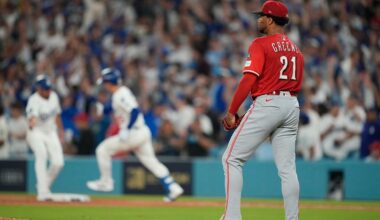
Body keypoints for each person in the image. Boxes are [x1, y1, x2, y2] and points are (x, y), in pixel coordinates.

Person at [220, 1, 304, 220]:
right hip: (292, 105)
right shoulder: (296, 50)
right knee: (287, 170)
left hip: (269, 102)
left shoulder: (261, 44)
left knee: (231, 159)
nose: (259, 19)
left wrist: (232, 110)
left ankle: (231, 217)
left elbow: (249, 78)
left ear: (270, 19)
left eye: (262, 16)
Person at [87, 68, 184, 202]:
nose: (104, 85)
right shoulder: (119, 93)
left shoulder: (121, 94)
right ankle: (173, 187)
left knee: (102, 150)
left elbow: (134, 111)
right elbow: (113, 108)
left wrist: (126, 129)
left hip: (133, 133)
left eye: (105, 82)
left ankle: (106, 182)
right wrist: (102, 109)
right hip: (141, 132)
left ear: (109, 82)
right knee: (151, 162)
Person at [26, 75, 65, 201]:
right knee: (42, 154)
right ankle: (43, 191)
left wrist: (61, 131)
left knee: (58, 163)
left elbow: (57, 115)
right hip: (36, 131)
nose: (48, 91)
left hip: (51, 131)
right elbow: (32, 118)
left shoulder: (54, 96)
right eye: (45, 89)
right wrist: (32, 121)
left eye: (49, 88)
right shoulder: (34, 100)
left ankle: (43, 186)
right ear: (38, 89)